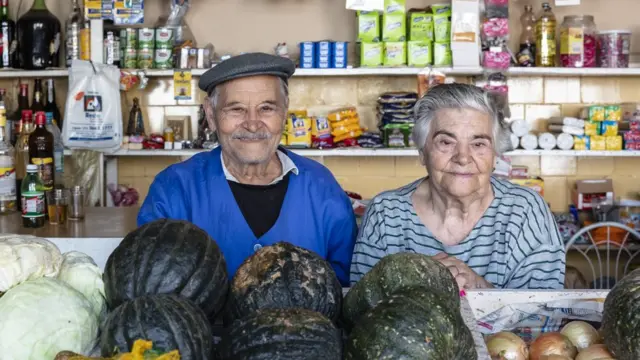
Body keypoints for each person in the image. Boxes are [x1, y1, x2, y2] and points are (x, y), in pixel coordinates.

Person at [138, 53, 357, 285]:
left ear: (284, 113)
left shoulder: (322, 187)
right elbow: (150, 279)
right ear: (211, 116)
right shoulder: (174, 189)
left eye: (267, 108)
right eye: (236, 109)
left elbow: (346, 286)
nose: (252, 124)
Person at [351, 83, 566, 290]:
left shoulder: (524, 211)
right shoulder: (386, 214)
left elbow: (544, 315)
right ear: (422, 153)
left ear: (494, 157)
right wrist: (415, 289)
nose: (463, 158)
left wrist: (479, 288)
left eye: (479, 144)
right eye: (446, 142)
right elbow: (362, 312)